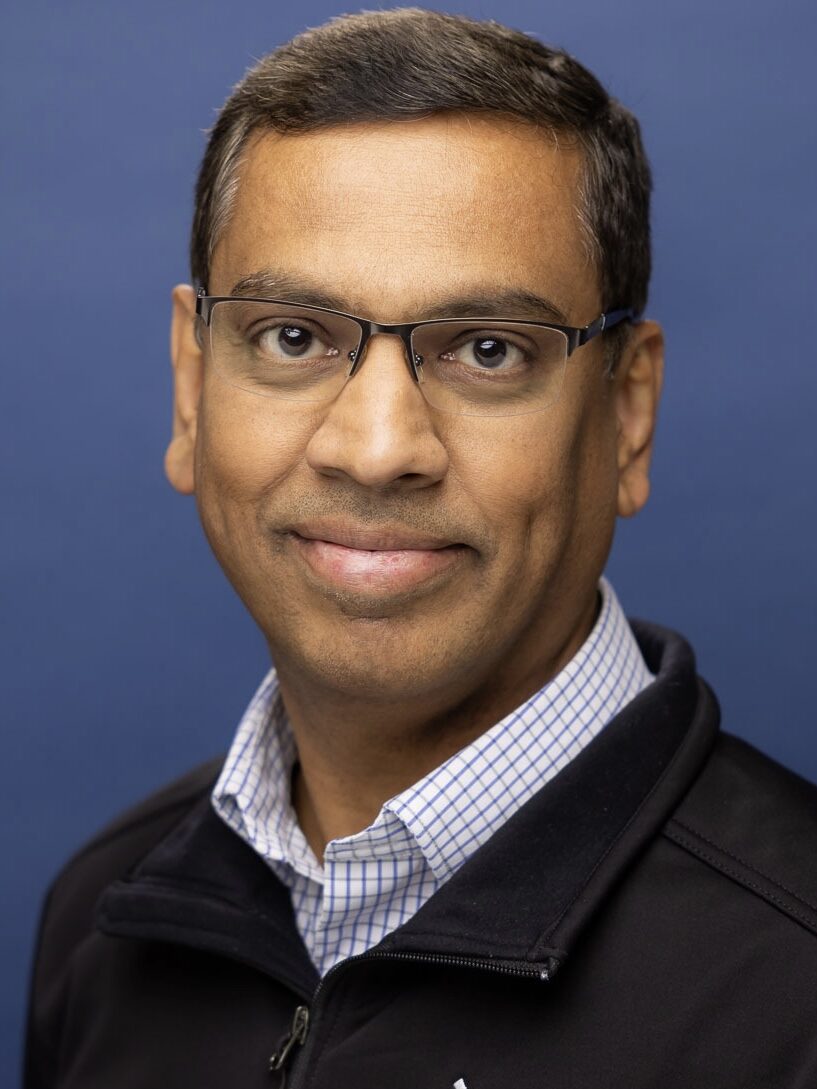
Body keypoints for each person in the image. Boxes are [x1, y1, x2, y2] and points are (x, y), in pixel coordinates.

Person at [23, 8, 817, 1088]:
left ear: (627, 412)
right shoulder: (103, 926)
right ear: (191, 385)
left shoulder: (792, 983)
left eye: (488, 350)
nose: (376, 448)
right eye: (292, 337)